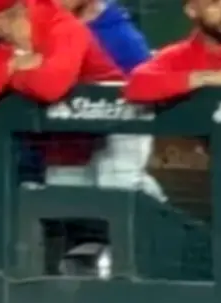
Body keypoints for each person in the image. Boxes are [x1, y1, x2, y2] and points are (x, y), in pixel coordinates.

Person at [123, 0, 221, 285]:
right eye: (214, 3)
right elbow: (137, 85)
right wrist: (208, 78)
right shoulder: (183, 55)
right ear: (192, 10)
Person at [0, 0, 122, 186]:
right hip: (67, 141)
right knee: (65, 201)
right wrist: (12, 67)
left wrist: (5, 78)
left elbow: (51, 87)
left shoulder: (61, 26)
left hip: (119, 124)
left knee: (121, 190)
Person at [60, 0, 166, 201]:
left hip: (124, 123)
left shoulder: (122, 36)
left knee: (118, 179)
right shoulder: (48, 24)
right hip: (70, 130)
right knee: (64, 182)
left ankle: (164, 225)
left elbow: (149, 84)